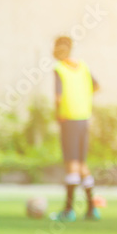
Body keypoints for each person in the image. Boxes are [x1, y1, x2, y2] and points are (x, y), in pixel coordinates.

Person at [49, 36, 100, 222]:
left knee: (72, 164)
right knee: (81, 164)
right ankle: (92, 209)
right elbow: (97, 86)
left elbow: (58, 97)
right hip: (83, 119)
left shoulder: (59, 68)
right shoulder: (84, 66)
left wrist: (57, 114)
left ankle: (68, 210)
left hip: (69, 119)